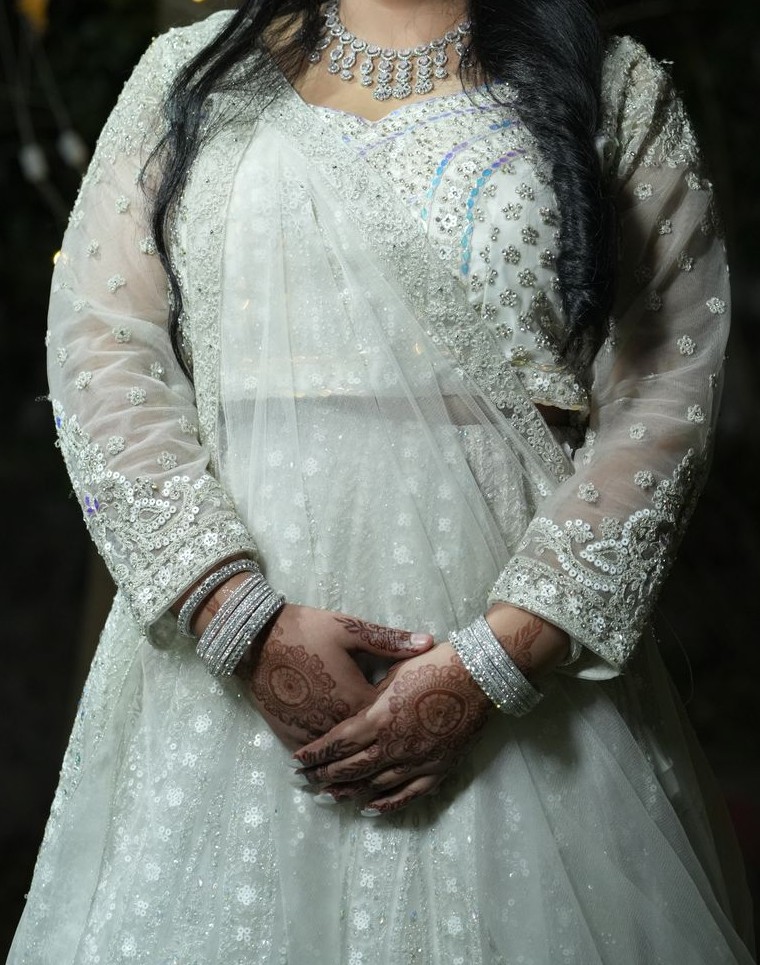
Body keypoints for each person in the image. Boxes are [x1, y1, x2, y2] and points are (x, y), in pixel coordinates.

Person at [8, 0, 757, 961]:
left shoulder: (614, 86)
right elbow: (101, 350)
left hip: (515, 672)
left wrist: (497, 661)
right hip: (225, 679)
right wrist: (235, 617)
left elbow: (667, 388)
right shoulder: (187, 76)